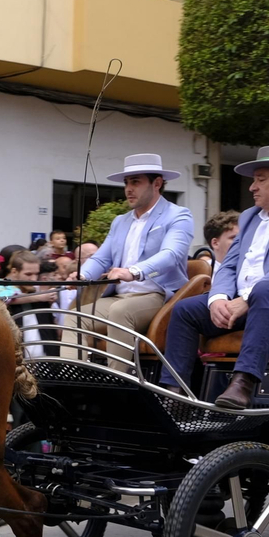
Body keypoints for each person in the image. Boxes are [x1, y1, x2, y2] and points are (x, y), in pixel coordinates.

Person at [161, 146, 269, 410]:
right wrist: (218, 299)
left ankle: (243, 384)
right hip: (249, 299)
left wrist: (246, 298)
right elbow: (229, 264)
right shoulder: (249, 216)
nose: (252, 187)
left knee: (266, 289)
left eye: (261, 179)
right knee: (186, 310)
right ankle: (175, 394)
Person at [78, 153, 194, 373]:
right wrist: (81, 276)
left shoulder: (179, 215)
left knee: (121, 311)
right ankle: (74, 382)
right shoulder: (120, 221)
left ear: (157, 183)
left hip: (158, 296)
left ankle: (118, 381)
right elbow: (102, 258)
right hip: (119, 297)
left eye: (136, 182)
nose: (128, 189)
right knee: (75, 317)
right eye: (126, 183)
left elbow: (172, 253)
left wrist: (134, 271)